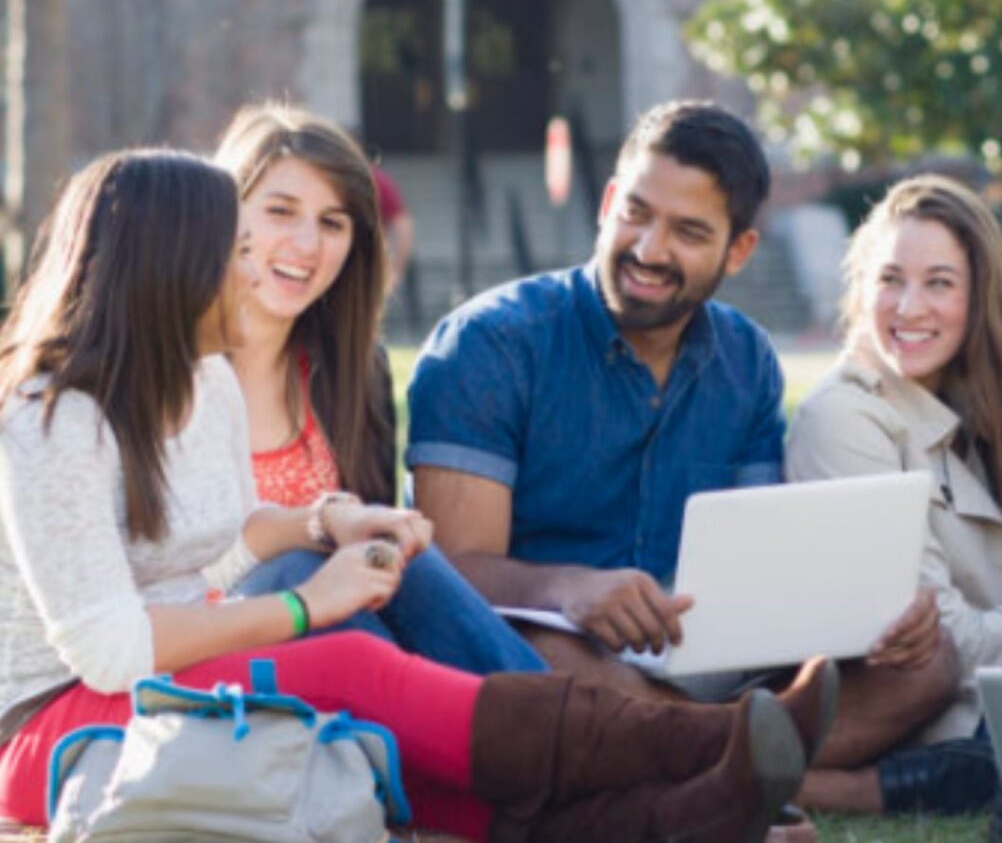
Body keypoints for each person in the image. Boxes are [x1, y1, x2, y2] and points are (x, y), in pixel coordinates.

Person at [0, 148, 834, 841]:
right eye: (235, 250)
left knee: (396, 748)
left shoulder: (200, 380)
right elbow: (106, 650)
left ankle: (693, 814)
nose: (251, 268)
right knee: (347, 662)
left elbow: (214, 547)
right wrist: (303, 609)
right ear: (170, 266)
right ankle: (710, 742)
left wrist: (325, 522)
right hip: (50, 726)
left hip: (167, 679)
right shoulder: (50, 415)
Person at [407, 100, 958, 783]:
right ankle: (749, 761)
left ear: (739, 249)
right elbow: (446, 571)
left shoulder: (746, 358)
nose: (648, 249)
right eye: (636, 212)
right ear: (608, 201)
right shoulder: (489, 343)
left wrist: (877, 613)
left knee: (929, 662)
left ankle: (708, 762)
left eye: (689, 232)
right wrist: (567, 589)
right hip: (555, 646)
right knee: (555, 665)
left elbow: (766, 558)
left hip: (702, 657)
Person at [212, 101, 547, 677]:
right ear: (223, 214)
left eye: (332, 222)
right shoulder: (170, 371)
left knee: (391, 553)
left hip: (341, 656)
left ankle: (539, 721)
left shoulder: (351, 369)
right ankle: (520, 733)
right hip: (209, 652)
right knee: (296, 564)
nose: (307, 244)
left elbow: (377, 571)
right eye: (280, 211)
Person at [786, 174, 1002, 816]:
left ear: (978, 298)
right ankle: (817, 791)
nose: (909, 307)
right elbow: (947, 639)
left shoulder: (987, 405)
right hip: (937, 719)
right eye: (891, 279)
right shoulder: (845, 419)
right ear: (863, 288)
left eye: (939, 283)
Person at [373, 164, 416, 295]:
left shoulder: (374, 180)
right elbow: (403, 224)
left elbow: (403, 223)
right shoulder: (375, 179)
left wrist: (397, 270)